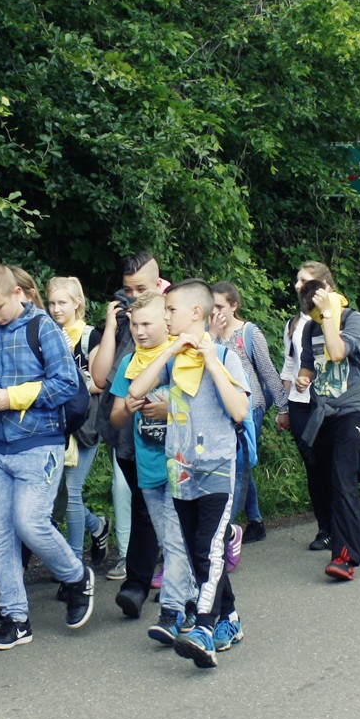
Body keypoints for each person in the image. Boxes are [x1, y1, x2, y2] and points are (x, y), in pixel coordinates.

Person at [0, 261, 94, 650]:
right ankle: (16, 619)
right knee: (1, 535)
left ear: (18, 294)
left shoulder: (44, 329)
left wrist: (13, 397)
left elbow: (67, 384)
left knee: (30, 524)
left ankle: (76, 577)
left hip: (40, 445)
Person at [124, 281, 251, 668]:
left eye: (171, 311)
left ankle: (204, 630)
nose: (166, 317)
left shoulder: (226, 356)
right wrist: (168, 352)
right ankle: (230, 617)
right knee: (200, 554)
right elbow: (136, 392)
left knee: (208, 550)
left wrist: (211, 362)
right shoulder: (173, 361)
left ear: (196, 313)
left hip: (216, 470)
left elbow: (239, 411)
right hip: (180, 473)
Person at [108, 293, 198, 646]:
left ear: (166, 321)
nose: (140, 331)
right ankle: (193, 600)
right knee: (169, 542)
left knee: (175, 543)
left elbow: (202, 407)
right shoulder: (129, 362)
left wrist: (168, 409)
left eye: (147, 323)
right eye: (134, 324)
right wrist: (127, 409)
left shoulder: (183, 356)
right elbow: (115, 418)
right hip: (146, 469)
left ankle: (171, 612)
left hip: (180, 466)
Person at [88, 254, 167, 616]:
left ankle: (152, 583)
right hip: (128, 440)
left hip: (175, 446)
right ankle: (138, 583)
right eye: (127, 289)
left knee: (161, 510)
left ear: (159, 286)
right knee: (143, 505)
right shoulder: (126, 322)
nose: (131, 297)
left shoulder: (175, 328)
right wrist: (110, 326)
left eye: (140, 289)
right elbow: (102, 378)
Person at [294, 276, 360, 580]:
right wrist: (303, 379)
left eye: (318, 312)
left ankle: (345, 557)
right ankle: (332, 537)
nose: (316, 318)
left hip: (352, 411)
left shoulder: (353, 319)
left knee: (343, 481)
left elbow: (338, 352)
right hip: (323, 413)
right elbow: (308, 365)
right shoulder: (310, 328)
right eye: (312, 314)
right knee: (326, 480)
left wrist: (329, 314)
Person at [44, 276, 112, 565]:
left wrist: (64, 385)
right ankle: (97, 526)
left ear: (77, 304)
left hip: (84, 424)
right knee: (56, 495)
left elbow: (99, 382)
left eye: (62, 302)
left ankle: (73, 563)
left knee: (72, 492)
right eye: (51, 303)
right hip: (55, 424)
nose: (56, 309)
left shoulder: (90, 337)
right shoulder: (46, 334)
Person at [211, 281, 284, 547]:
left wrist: (283, 407)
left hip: (249, 407)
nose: (215, 312)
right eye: (211, 306)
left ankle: (223, 529)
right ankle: (255, 520)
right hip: (220, 408)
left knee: (240, 465)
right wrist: (212, 334)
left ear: (234, 306)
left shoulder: (249, 333)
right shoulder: (208, 334)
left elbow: (268, 372)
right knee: (235, 466)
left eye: (220, 306)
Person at [279, 262, 340, 551]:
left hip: (329, 403)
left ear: (323, 285)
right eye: (297, 280)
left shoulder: (338, 315)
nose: (297, 286)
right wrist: (284, 406)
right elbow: (289, 364)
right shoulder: (294, 322)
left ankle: (341, 525)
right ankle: (324, 528)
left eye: (304, 281)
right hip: (300, 404)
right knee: (313, 466)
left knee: (332, 465)